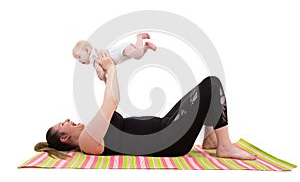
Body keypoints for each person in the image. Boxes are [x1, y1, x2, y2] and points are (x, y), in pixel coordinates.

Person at [35, 51, 256, 160]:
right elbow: (112, 101)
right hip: (169, 141)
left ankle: (210, 139)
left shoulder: (90, 133)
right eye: (63, 123)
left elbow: (110, 100)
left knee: (202, 91)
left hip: (166, 127)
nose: (69, 120)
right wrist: (111, 69)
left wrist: (108, 76)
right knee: (212, 85)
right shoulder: (85, 141)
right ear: (64, 137)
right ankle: (224, 147)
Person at [72, 33, 156, 83]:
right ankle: (146, 46)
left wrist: (104, 78)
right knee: (138, 56)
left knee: (138, 54)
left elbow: (99, 70)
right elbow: (105, 67)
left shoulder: (93, 58)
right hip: (121, 55)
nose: (79, 61)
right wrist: (104, 72)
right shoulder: (96, 57)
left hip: (120, 51)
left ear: (87, 50)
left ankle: (139, 37)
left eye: (79, 57)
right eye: (78, 59)